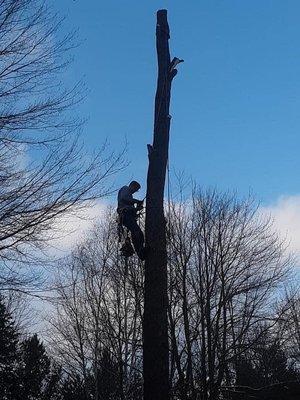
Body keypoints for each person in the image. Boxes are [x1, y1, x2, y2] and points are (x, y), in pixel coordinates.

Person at [117, 181, 146, 260]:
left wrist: (137, 209)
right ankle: (140, 252)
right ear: (131, 186)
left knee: (139, 233)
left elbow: (130, 207)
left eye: (136, 190)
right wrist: (137, 201)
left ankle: (141, 251)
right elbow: (124, 199)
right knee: (136, 232)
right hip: (125, 215)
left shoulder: (130, 196)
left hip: (128, 215)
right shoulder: (125, 188)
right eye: (135, 189)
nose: (135, 191)